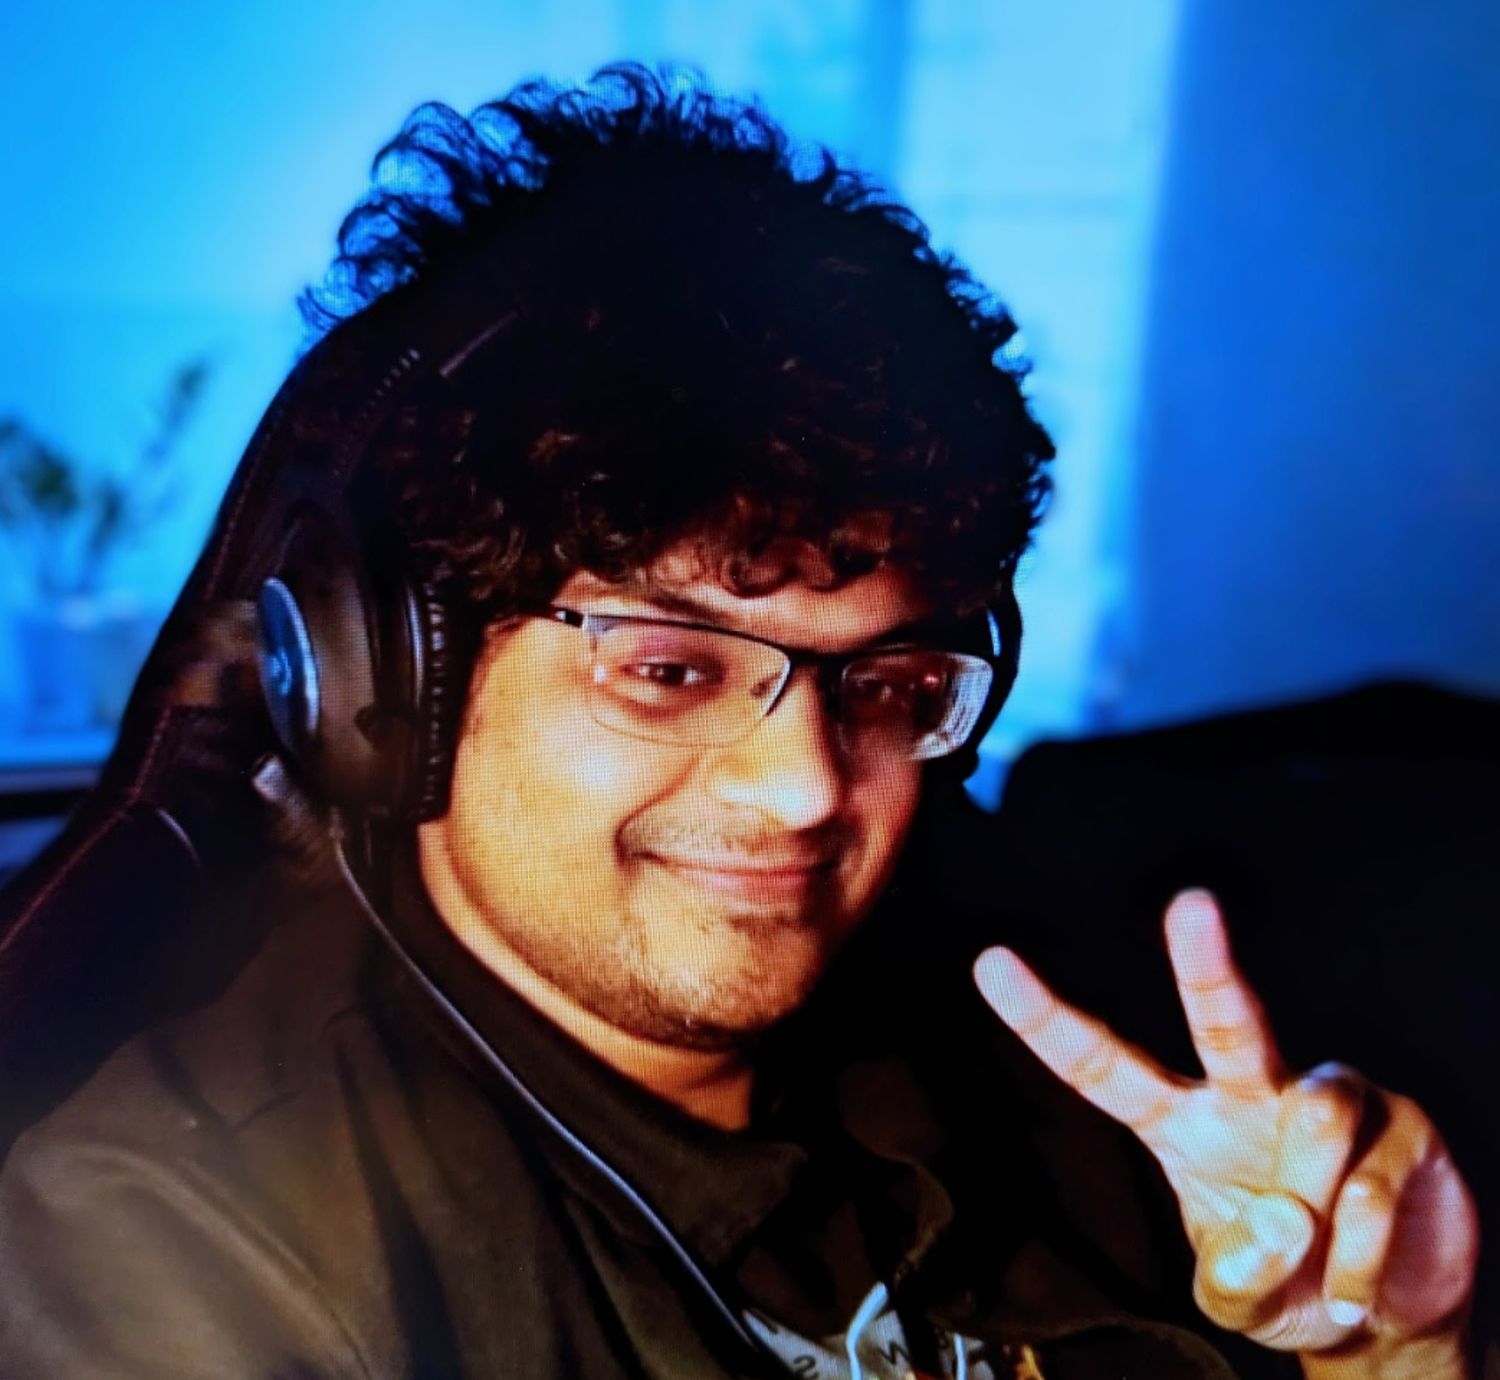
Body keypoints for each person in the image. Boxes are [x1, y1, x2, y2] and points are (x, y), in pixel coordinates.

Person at [0, 65, 1483, 1380]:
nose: (806, 790)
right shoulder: (183, 1247)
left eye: (885, 687)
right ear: (393, 682)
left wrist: (1392, 1353)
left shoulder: (1064, 1076)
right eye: (668, 670)